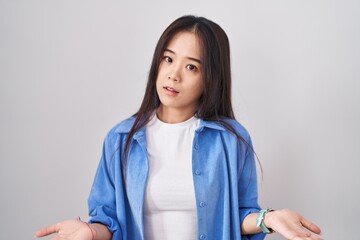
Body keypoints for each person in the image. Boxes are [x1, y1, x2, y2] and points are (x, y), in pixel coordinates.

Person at [34, 15, 322, 240]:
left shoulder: (231, 140)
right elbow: (108, 219)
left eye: (191, 67)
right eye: (168, 59)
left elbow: (236, 215)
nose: (173, 75)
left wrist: (267, 219)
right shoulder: (120, 139)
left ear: (210, 78)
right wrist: (91, 232)